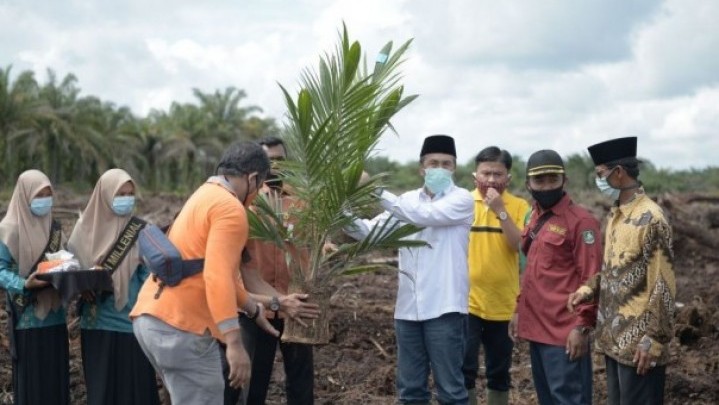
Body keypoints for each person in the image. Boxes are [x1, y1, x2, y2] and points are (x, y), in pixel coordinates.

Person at [131, 141, 279, 404]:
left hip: (152, 320)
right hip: (183, 329)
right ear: (253, 178)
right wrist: (234, 343)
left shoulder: (204, 194)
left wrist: (254, 310)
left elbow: (209, 268)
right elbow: (217, 276)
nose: (258, 195)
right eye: (260, 186)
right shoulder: (231, 209)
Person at [347, 134, 474, 405]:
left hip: (445, 309)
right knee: (411, 391)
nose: (439, 168)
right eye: (433, 163)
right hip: (407, 311)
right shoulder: (406, 201)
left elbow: (423, 216)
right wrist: (339, 205)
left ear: (454, 168)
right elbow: (368, 232)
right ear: (421, 168)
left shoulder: (461, 200)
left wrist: (375, 190)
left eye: (446, 164)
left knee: (451, 391)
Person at [568, 137, 676, 404]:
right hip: (614, 341)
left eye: (600, 174)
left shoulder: (651, 219)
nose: (599, 181)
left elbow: (663, 284)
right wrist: (588, 289)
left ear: (618, 173)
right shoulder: (617, 215)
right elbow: (614, 270)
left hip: (640, 345)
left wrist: (654, 339)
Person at [222, 136, 321, 405]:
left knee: (301, 383)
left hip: (295, 303)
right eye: (269, 161)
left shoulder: (303, 203)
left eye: (280, 159)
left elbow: (317, 240)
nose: (275, 166)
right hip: (256, 307)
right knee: (253, 381)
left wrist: (328, 249)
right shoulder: (247, 203)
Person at [509, 150, 602, 405]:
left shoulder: (581, 222)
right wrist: (519, 310)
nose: (546, 186)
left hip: (564, 333)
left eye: (553, 179)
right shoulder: (536, 216)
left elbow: (592, 277)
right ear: (528, 184)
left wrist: (582, 327)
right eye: (540, 181)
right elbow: (534, 272)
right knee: (548, 399)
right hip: (537, 329)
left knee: (569, 399)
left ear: (565, 180)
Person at [66, 168, 160, 405]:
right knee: (103, 390)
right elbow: (69, 270)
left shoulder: (141, 230)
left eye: (130, 194)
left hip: (132, 326)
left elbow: (154, 278)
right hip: (97, 324)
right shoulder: (81, 232)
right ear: (104, 195)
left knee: (135, 390)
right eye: (120, 194)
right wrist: (81, 284)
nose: (126, 199)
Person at [462, 147, 529, 405]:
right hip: (466, 304)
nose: (491, 180)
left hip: (503, 304)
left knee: (498, 372)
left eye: (497, 174)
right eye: (486, 173)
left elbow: (518, 246)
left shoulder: (519, 206)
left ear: (508, 178)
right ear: (474, 175)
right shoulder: (463, 204)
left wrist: (500, 210)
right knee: (464, 368)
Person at [0, 169, 69, 405]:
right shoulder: (9, 229)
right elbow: (1, 270)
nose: (45, 201)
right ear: (24, 195)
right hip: (27, 317)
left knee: (55, 379)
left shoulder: (55, 228)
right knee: (33, 383)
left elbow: (66, 258)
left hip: (56, 316)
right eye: (39, 195)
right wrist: (23, 284)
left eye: (48, 194)